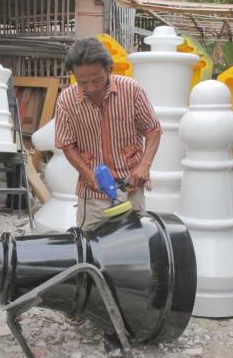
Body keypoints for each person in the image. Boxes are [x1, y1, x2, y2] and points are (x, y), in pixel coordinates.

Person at [55, 38, 161, 231]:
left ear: (108, 69)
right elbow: (67, 145)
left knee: (134, 244)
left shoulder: (131, 91)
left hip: (131, 189)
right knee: (90, 249)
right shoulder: (66, 101)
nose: (91, 88)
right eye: (83, 82)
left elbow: (153, 130)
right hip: (93, 196)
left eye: (97, 80)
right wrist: (87, 174)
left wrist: (144, 166)